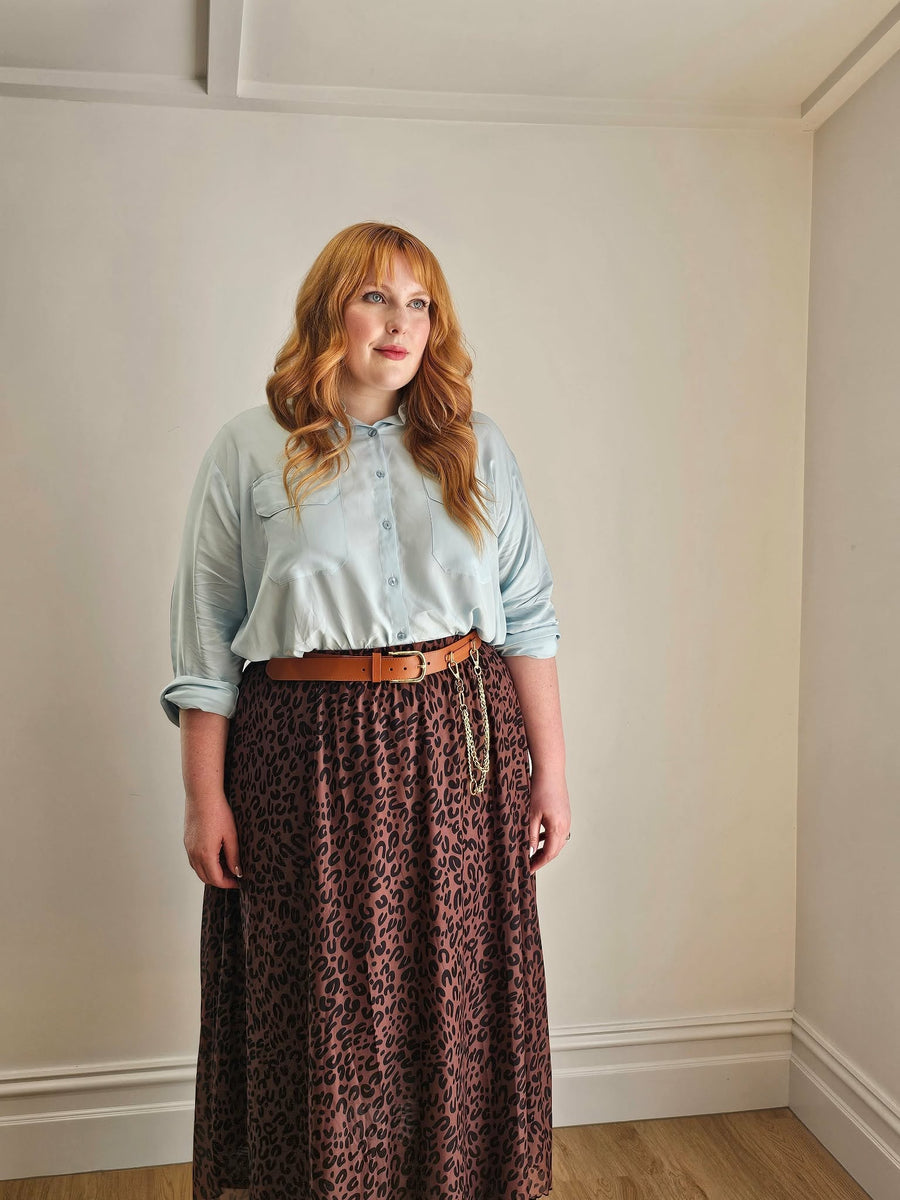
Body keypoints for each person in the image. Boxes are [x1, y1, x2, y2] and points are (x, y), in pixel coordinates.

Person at [160, 220, 571, 1200]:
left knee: (455, 994)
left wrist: (551, 772)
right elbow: (208, 640)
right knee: (325, 1001)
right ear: (328, 312)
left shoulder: (475, 445)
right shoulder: (248, 448)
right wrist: (202, 797)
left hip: (465, 747)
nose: (400, 323)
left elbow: (528, 615)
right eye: (376, 298)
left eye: (419, 302)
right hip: (303, 755)